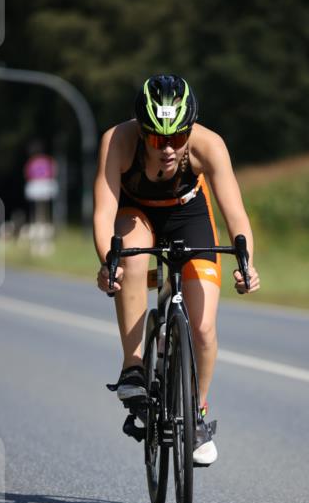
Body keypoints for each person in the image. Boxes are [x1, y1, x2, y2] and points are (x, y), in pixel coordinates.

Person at [93, 73, 260, 466]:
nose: (167, 148)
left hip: (189, 213)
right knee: (131, 255)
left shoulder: (209, 145)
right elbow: (103, 213)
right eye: (156, 138)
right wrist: (108, 263)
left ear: (190, 130)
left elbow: (235, 215)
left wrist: (247, 264)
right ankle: (133, 368)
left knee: (202, 328)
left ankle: (197, 413)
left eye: (177, 137)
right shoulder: (117, 141)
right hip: (137, 211)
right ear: (141, 130)